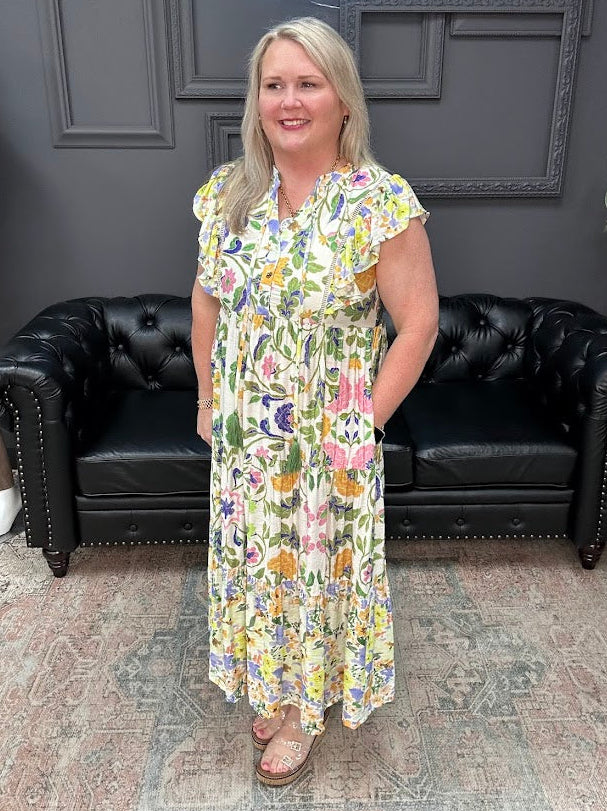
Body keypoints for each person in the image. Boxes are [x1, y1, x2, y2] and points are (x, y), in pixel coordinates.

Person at [191, 17, 438, 787]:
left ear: (342, 100)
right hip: (246, 434)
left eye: (307, 83)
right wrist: (206, 396)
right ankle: (275, 679)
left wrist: (361, 424)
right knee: (257, 567)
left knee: (315, 570)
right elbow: (206, 303)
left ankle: (304, 706)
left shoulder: (378, 202)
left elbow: (419, 321)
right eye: (274, 85)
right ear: (256, 100)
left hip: (328, 438)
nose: (288, 100)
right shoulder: (228, 194)